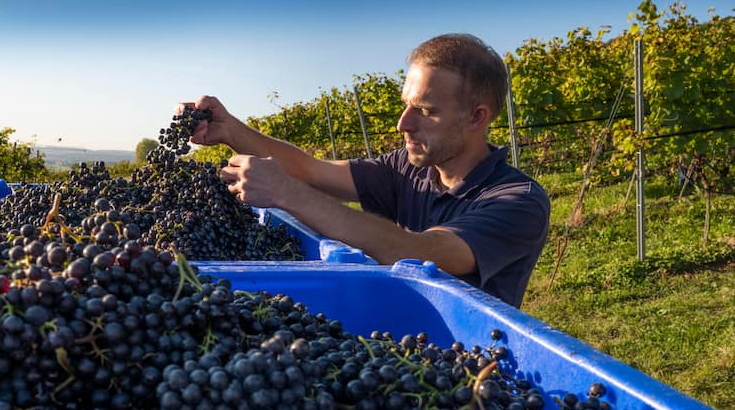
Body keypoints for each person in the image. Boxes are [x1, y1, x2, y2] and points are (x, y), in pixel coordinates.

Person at [179, 33, 550, 308]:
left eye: (426, 110)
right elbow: (310, 170)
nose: (403, 124)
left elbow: (421, 251)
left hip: (465, 362)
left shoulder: (519, 202)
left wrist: (288, 194)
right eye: (407, 106)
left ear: (476, 117)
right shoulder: (406, 168)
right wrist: (231, 131)